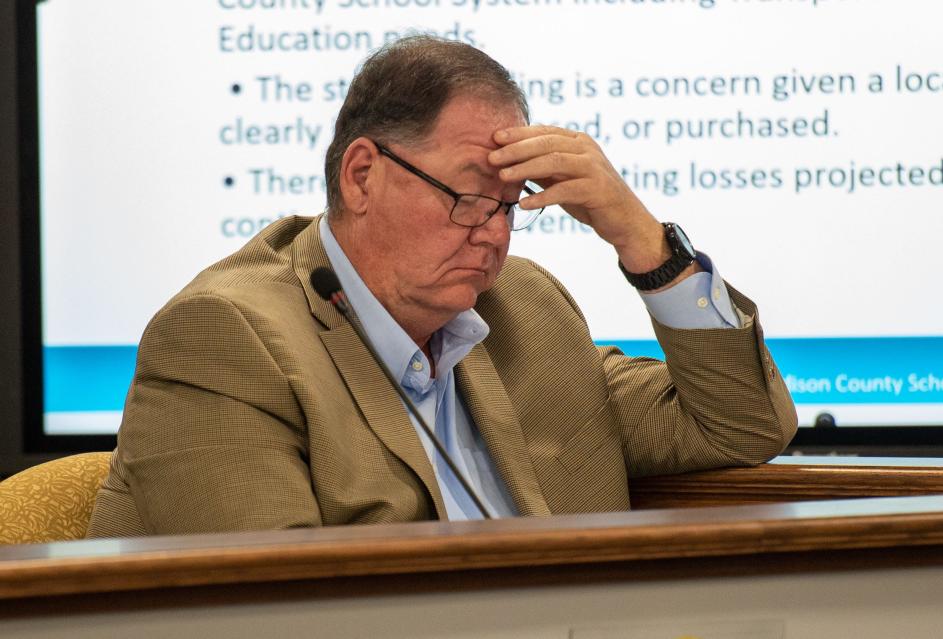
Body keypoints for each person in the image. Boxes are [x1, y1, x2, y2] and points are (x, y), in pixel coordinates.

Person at [87, 35, 796, 537]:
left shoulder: (524, 309)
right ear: (361, 175)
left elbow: (741, 425)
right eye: (464, 197)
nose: (490, 230)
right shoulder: (226, 338)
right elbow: (277, 611)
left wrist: (640, 239)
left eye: (509, 203)